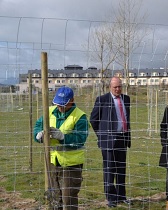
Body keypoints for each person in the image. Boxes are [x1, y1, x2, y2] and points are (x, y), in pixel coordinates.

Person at [34, 86, 89, 210]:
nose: (60, 107)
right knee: (55, 197)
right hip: (53, 162)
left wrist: (63, 137)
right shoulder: (50, 111)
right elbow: (38, 125)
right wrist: (38, 135)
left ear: (72, 100)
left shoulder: (80, 116)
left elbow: (81, 139)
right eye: (58, 104)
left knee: (68, 199)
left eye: (63, 105)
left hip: (71, 165)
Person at [90, 77, 131, 208]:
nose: (118, 89)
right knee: (109, 169)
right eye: (115, 87)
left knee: (121, 169)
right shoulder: (102, 100)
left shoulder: (126, 99)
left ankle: (121, 196)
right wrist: (102, 136)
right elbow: (93, 120)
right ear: (110, 87)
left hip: (122, 138)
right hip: (108, 140)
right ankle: (111, 197)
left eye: (119, 87)